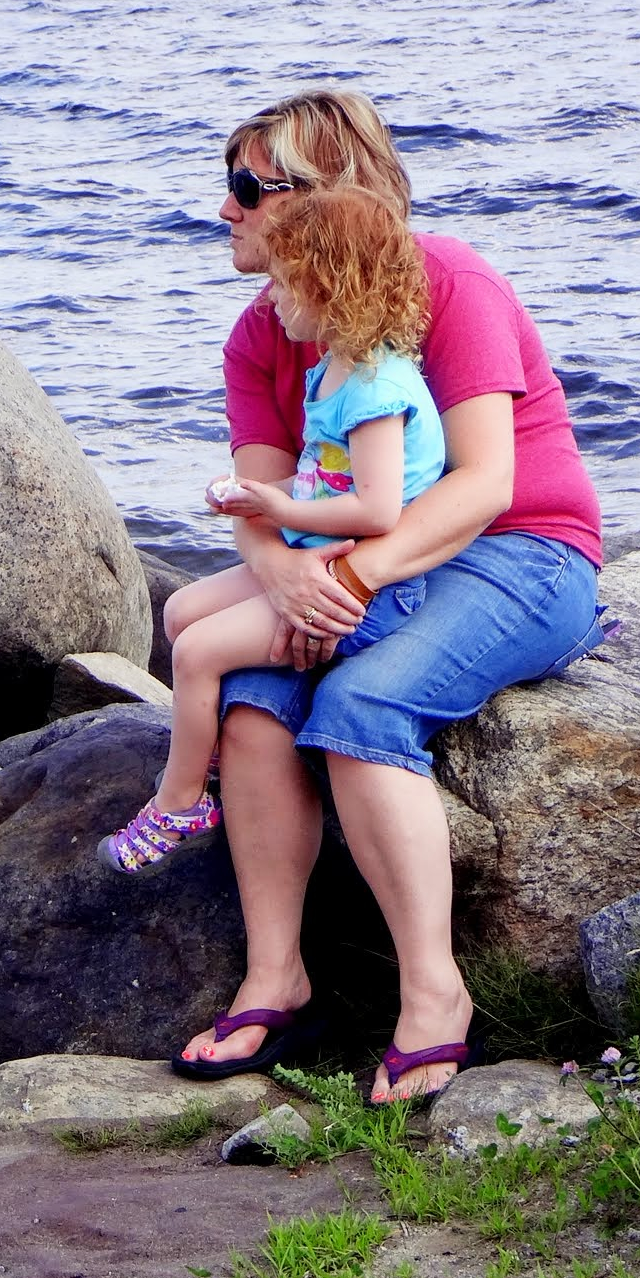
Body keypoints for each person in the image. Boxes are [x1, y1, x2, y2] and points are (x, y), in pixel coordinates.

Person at [172, 89, 604, 1102]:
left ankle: (434, 998)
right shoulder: (261, 333)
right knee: (255, 702)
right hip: (352, 561)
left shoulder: (447, 280)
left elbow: (484, 483)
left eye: (248, 188)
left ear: (326, 193)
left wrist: (343, 581)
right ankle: (277, 980)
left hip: (521, 556)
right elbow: (257, 497)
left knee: (361, 704)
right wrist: (284, 574)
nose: (225, 209)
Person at [99, 187, 445, 875]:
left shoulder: (377, 390)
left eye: (286, 284)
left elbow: (378, 510)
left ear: (331, 290)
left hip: (368, 595)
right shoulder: (333, 370)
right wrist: (258, 496)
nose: (271, 298)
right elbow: (323, 481)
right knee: (181, 611)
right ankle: (205, 753)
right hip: (320, 555)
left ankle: (179, 802)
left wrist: (281, 513)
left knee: (196, 653)